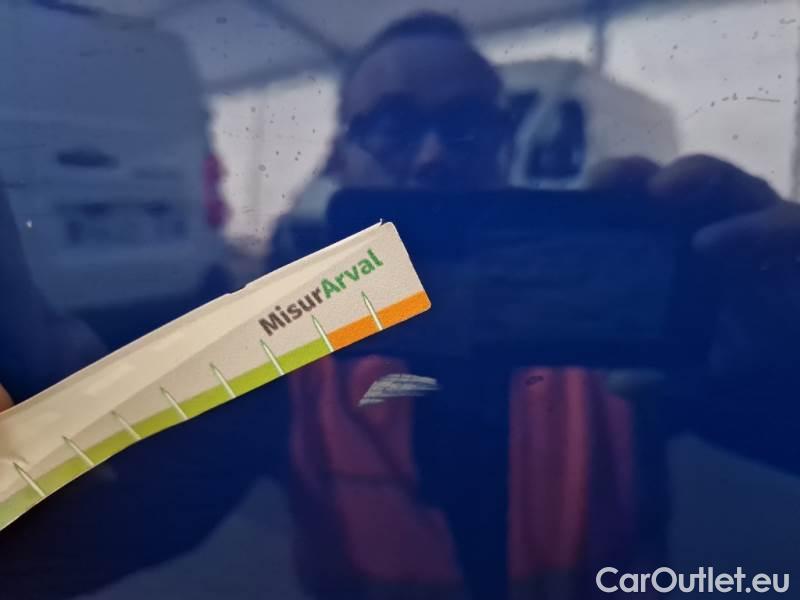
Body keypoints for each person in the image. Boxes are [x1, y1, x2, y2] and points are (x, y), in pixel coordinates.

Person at [267, 12, 800, 600]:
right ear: (338, 157)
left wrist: (785, 350)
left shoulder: (605, 327)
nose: (433, 157)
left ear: (504, 142)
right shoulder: (291, 351)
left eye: (467, 124)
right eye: (394, 126)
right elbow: (180, 494)